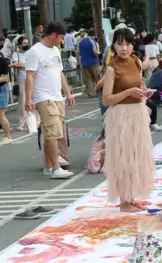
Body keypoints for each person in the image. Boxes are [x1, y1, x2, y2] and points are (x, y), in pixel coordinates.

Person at [101, 28, 155, 212]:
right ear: (114, 45)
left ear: (133, 45)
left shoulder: (136, 61)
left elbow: (138, 85)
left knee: (137, 156)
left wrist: (143, 92)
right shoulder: (111, 68)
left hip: (138, 112)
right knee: (123, 157)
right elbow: (106, 99)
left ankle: (131, 197)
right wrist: (129, 92)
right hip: (120, 115)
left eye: (128, 43)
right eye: (120, 43)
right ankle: (124, 200)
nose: (124, 48)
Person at [25, 22, 76, 179]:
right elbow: (30, 75)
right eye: (61, 37)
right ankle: (55, 168)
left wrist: (68, 93)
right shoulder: (35, 51)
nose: (62, 41)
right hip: (43, 97)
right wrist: (29, 98)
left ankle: (48, 166)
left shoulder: (55, 50)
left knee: (51, 133)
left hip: (57, 96)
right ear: (53, 35)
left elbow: (60, 73)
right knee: (53, 133)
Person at [11, 36, 30, 132]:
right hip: (22, 79)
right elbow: (16, 64)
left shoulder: (31, 53)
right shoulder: (16, 54)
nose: (26, 45)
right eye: (24, 44)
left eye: (27, 43)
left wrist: (22, 65)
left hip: (32, 78)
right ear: (19, 45)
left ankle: (33, 121)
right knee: (22, 101)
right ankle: (22, 123)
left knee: (33, 100)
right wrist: (25, 66)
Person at [79, 29, 101, 98]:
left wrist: (78, 62)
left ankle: (91, 93)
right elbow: (95, 52)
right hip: (94, 62)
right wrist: (99, 54)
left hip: (84, 63)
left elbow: (78, 53)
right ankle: (100, 92)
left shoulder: (80, 42)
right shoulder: (93, 42)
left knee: (88, 79)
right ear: (94, 35)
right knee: (98, 78)